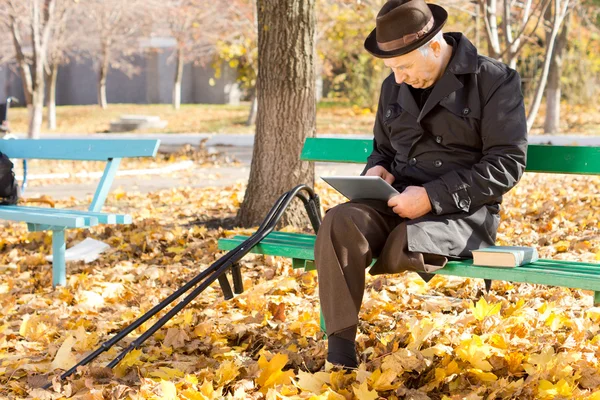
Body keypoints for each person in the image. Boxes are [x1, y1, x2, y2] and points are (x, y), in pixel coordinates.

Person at [314, 0, 527, 369]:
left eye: (404, 67)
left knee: (404, 239)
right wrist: (376, 170)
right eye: (392, 68)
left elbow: (507, 164)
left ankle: (401, 237)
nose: (398, 78)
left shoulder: (494, 79)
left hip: (463, 211)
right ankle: (340, 353)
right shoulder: (392, 86)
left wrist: (431, 197)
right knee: (339, 222)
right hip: (396, 201)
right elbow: (382, 149)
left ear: (433, 46)